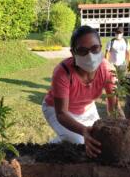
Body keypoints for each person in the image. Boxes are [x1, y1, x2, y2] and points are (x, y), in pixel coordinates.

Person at [42, 25, 117, 158]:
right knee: (79, 142)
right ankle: (52, 147)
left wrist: (124, 125)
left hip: (87, 108)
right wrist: (83, 130)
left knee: (97, 140)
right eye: (82, 50)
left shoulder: (107, 70)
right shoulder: (62, 72)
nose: (90, 56)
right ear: (73, 53)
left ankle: (62, 141)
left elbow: (113, 106)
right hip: (56, 109)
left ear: (101, 47)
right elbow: (61, 113)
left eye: (95, 48)